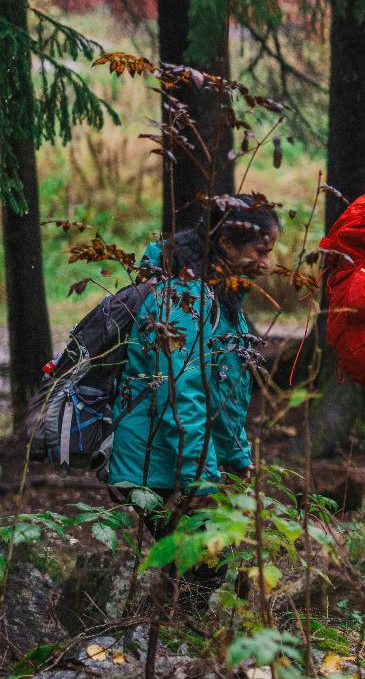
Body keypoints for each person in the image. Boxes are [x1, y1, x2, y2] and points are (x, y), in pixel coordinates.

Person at [106, 195, 280, 615]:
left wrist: (237, 457)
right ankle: (172, 645)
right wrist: (200, 481)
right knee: (206, 560)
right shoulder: (182, 299)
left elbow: (224, 391)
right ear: (226, 244)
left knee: (202, 560)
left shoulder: (222, 300)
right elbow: (180, 396)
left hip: (178, 461)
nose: (266, 264)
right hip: (151, 463)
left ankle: (167, 637)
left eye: (270, 253)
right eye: (260, 251)